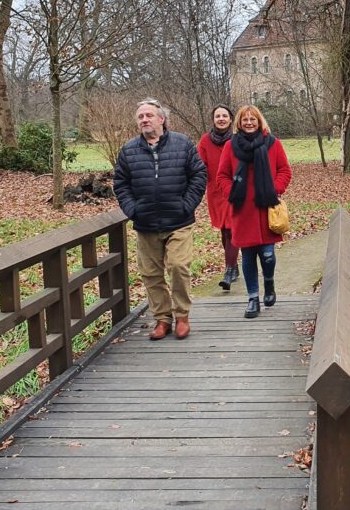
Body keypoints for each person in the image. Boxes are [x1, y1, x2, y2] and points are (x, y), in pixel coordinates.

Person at [114, 99, 206, 340]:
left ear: (161, 119)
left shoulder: (182, 143)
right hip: (146, 223)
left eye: (149, 115)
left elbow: (198, 175)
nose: (144, 120)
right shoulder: (129, 149)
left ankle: (182, 316)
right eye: (140, 117)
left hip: (179, 221)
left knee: (178, 267)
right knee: (151, 274)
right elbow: (121, 184)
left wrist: (186, 205)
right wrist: (132, 209)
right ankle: (162, 319)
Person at [218, 105, 292, 319]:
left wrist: (274, 189)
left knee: (268, 255)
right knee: (248, 255)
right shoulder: (231, 146)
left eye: (253, 119)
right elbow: (222, 175)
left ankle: (269, 283)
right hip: (242, 210)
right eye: (245, 120)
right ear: (239, 123)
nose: (249, 123)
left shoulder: (273, 144)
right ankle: (252, 298)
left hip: (265, 207)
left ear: (260, 122)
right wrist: (231, 191)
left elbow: (285, 171)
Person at [197, 105, 240, 291]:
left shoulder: (238, 139)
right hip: (215, 192)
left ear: (231, 119)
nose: (221, 119)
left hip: (234, 190)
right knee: (224, 231)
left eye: (224, 116)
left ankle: (229, 270)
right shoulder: (205, 141)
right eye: (217, 116)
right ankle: (234, 266)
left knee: (231, 230)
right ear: (213, 120)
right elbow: (199, 166)